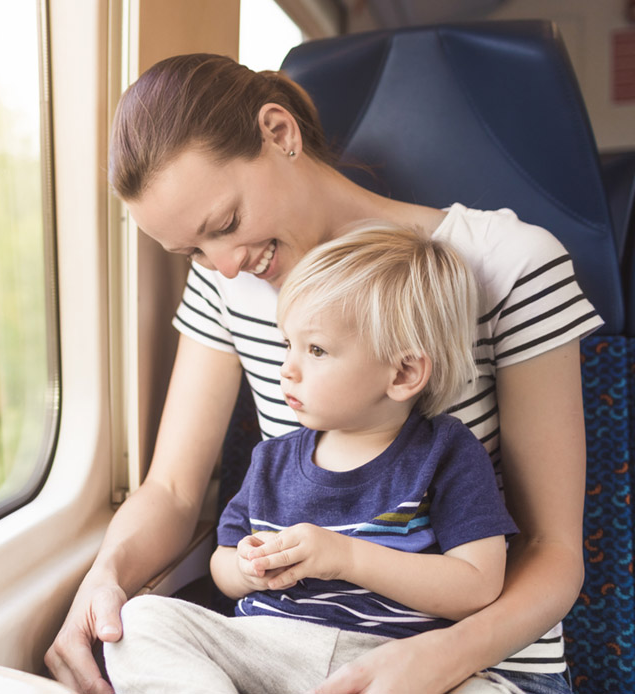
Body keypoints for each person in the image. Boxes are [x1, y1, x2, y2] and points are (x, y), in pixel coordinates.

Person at [45, 53, 598, 694]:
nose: (224, 265)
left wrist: (437, 660)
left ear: (280, 134)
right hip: (286, 646)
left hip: (469, 657)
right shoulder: (227, 287)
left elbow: (553, 550)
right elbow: (171, 489)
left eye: (225, 224)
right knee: (144, 624)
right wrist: (104, 578)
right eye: (193, 250)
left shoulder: (508, 264)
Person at [102, 225, 522, 693]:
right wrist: (245, 569)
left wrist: (345, 557)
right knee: (140, 619)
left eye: (316, 350)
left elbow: (478, 585)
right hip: (265, 649)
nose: (288, 368)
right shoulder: (272, 461)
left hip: (389, 664)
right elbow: (222, 565)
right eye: (287, 344)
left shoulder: (445, 453)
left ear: (403, 372)